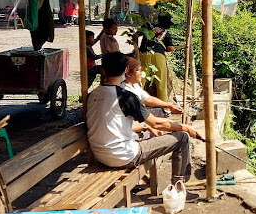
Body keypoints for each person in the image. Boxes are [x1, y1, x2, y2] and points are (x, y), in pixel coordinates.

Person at [86, 52, 200, 184]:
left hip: (99, 155)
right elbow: (156, 123)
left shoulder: (93, 94)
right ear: (125, 70)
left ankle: (146, 178)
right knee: (182, 138)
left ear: (102, 70)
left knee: (149, 133)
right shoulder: (125, 96)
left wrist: (148, 126)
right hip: (122, 156)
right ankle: (179, 187)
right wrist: (185, 127)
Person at [139, 14, 177, 102]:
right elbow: (170, 48)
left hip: (145, 54)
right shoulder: (166, 33)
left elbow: (136, 35)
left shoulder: (148, 26)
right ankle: (164, 106)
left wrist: (137, 48)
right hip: (159, 56)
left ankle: (138, 103)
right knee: (161, 82)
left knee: (141, 79)